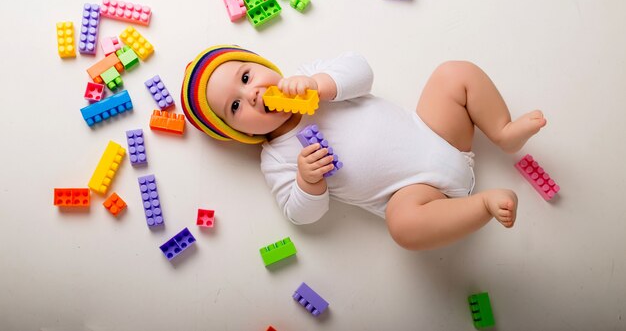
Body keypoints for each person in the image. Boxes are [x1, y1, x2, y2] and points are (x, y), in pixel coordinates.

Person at [181, 45, 547, 250]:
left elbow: (361, 70)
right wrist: (309, 182)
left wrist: (320, 85)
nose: (253, 93)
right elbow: (300, 215)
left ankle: (502, 130)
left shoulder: (310, 78)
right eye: (235, 106)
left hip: (438, 133)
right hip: (417, 194)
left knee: (453, 73)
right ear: (237, 133)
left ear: (262, 65)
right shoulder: (277, 158)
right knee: (402, 227)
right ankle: (479, 205)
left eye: (246, 77)